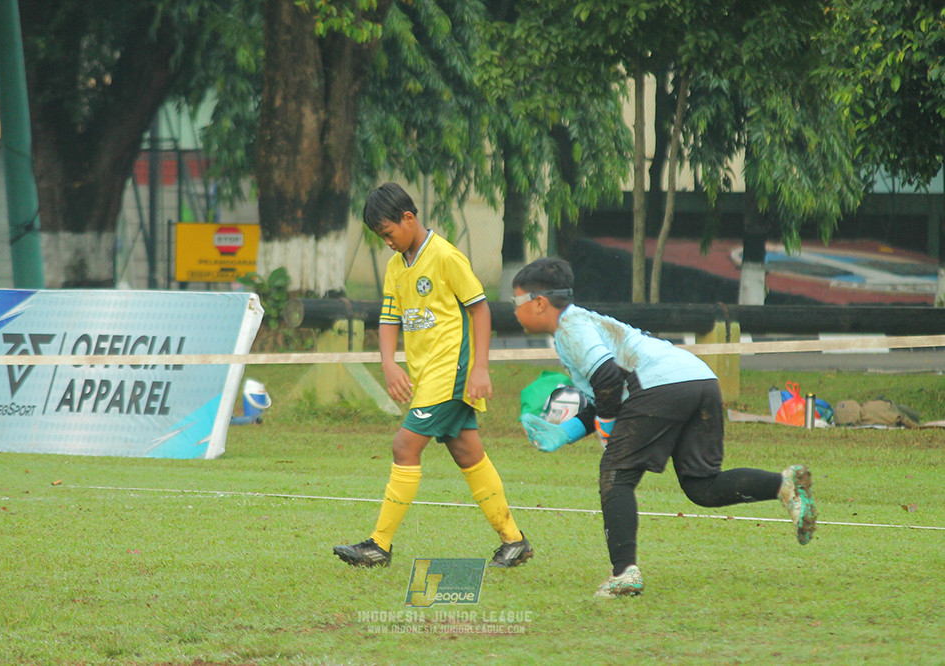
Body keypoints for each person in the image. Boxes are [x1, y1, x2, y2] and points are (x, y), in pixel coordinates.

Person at [511, 257, 816, 597]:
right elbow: (605, 390)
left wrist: (609, 426)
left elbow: (609, 379)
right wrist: (566, 432)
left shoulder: (570, 329)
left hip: (660, 387)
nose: (513, 311)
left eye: (517, 302)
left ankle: (624, 573)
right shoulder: (581, 323)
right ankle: (784, 484)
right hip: (698, 380)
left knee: (616, 474)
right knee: (702, 485)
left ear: (539, 303)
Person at [333, 183, 533, 568]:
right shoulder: (396, 267)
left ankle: (379, 545)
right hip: (427, 375)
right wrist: (390, 364)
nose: (387, 243)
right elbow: (390, 318)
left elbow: (480, 310)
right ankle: (514, 540)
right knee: (467, 452)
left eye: (389, 234)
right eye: (381, 238)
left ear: (409, 218)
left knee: (404, 447)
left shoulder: (445, 257)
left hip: (451, 372)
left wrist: (479, 369)